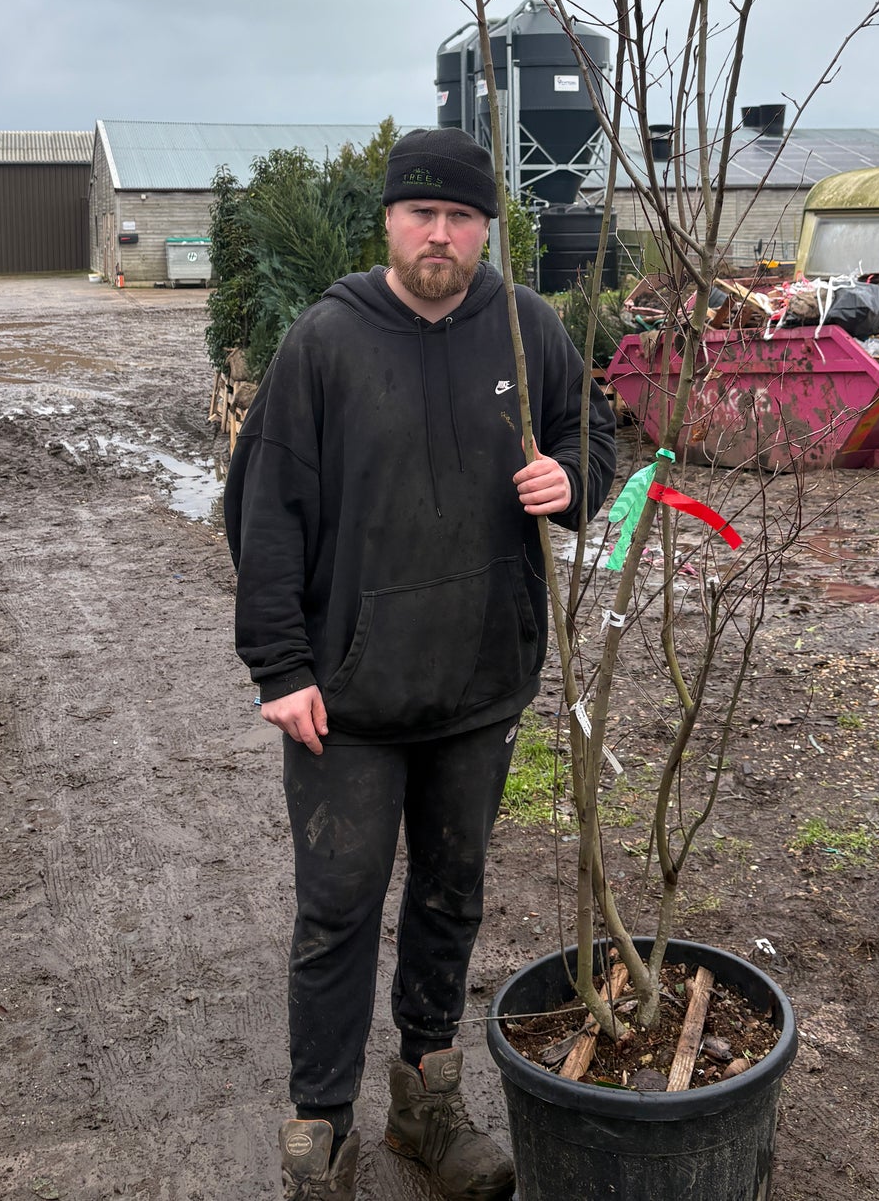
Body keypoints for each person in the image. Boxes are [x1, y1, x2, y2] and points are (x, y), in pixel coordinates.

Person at [228, 127, 618, 1201]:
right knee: (337, 914)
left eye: (457, 216)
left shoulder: (523, 326)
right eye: (419, 214)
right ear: (389, 222)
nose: (438, 234)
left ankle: (425, 1105)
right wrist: (280, 667)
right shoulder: (327, 342)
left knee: (451, 898)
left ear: (487, 226)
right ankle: (321, 1136)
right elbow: (264, 513)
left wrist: (570, 479)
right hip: (344, 703)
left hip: (477, 687)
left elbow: (598, 432)